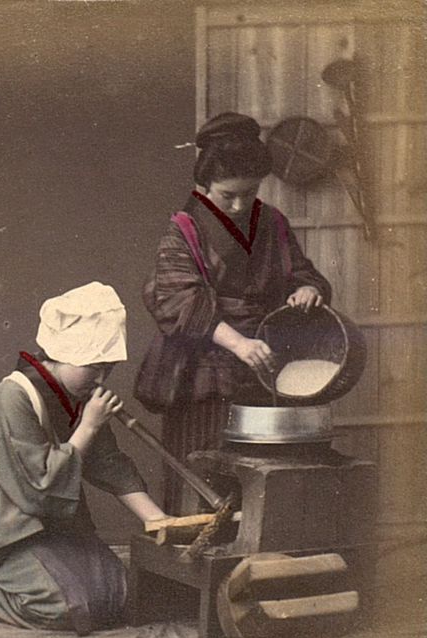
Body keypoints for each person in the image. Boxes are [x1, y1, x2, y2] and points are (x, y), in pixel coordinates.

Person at [140, 112, 333, 514]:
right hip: (203, 374)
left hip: (265, 366)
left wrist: (307, 288)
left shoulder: (272, 222)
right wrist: (239, 344)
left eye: (250, 192)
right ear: (202, 184)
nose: (240, 204)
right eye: (228, 195)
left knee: (260, 482)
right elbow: (178, 299)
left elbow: (300, 270)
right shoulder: (185, 229)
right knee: (201, 480)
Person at [0, 283, 170, 634]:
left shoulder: (77, 397)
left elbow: (109, 464)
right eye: (93, 367)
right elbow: (38, 488)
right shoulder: (11, 398)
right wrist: (87, 427)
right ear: (61, 352)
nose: (101, 379)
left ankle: (44, 574)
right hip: (1, 529)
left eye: (108, 369)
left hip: (49, 524)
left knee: (123, 596)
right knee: (68, 608)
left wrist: (158, 520)